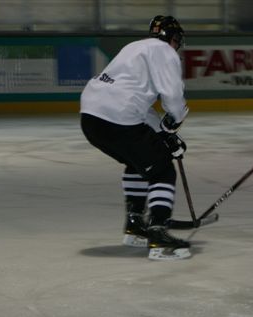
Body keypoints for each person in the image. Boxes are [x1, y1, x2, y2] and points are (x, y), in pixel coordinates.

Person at [80, 15, 191, 260]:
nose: (177, 45)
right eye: (177, 39)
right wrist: (176, 119)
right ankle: (158, 233)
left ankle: (135, 225)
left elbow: (136, 103)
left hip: (90, 116)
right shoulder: (165, 51)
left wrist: (162, 133)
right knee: (163, 170)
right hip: (118, 116)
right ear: (173, 37)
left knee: (137, 162)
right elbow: (172, 95)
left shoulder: (134, 47)